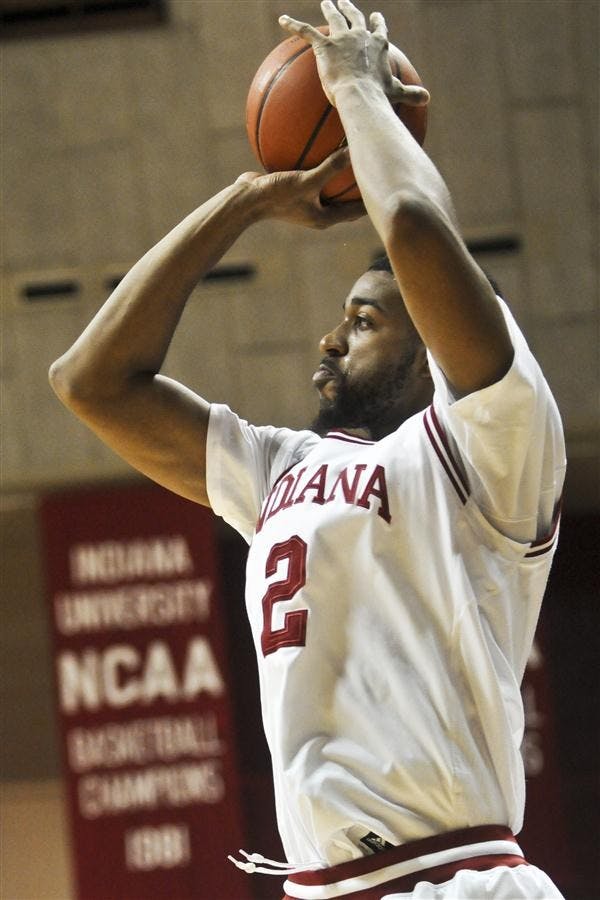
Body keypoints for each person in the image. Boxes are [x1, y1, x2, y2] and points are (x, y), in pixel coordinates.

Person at [49, 1, 567, 897]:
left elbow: (411, 228)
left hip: (454, 877)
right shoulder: (281, 470)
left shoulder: (491, 445)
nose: (329, 342)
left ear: (429, 344)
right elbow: (90, 381)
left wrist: (356, 89)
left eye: (363, 321)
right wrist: (245, 201)